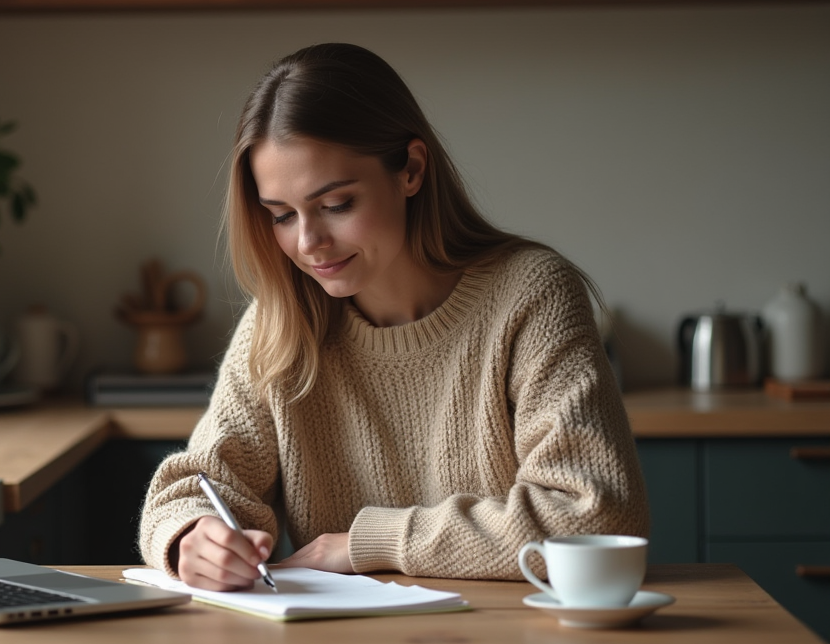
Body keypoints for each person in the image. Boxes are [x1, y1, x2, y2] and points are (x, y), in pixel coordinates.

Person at [138, 43, 648, 592]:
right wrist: (192, 537)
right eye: (282, 215)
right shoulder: (282, 321)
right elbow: (196, 487)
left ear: (411, 169)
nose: (309, 243)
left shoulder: (531, 296)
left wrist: (367, 544)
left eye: (336, 205)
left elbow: (594, 515)